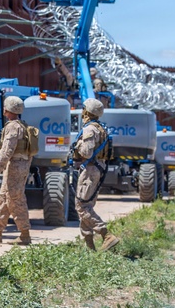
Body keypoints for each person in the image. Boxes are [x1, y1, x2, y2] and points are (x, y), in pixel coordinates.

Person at [0, 96, 33, 245]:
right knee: (3, 199)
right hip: (18, 166)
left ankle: (25, 235)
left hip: (15, 167)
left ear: (7, 110)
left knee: (15, 199)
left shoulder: (12, 127)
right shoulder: (22, 125)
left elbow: (6, 151)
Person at [71, 98, 120, 251]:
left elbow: (86, 152)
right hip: (97, 168)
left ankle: (106, 234)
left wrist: (78, 144)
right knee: (86, 206)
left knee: (81, 206)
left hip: (90, 170)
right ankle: (89, 247)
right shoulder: (100, 128)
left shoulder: (90, 129)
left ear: (87, 112)